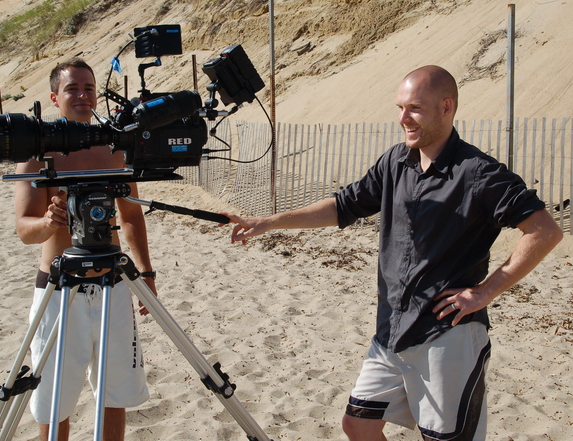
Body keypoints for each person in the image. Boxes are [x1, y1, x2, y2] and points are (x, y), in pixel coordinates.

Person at [221, 65, 563, 441]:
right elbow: (344, 206)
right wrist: (270, 222)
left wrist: (485, 291)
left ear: (446, 107)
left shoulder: (478, 173)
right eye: (400, 107)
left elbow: (545, 231)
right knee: (358, 424)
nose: (403, 118)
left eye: (415, 108)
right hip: (391, 330)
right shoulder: (396, 161)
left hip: (446, 335)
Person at [15, 58, 156, 441]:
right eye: (72, 89)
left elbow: (131, 216)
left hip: (114, 286)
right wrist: (48, 222)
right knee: (54, 400)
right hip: (60, 291)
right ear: (54, 97)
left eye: (89, 88)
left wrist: (146, 272)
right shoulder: (38, 152)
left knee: (115, 393)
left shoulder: (112, 148)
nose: (82, 95)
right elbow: (24, 229)